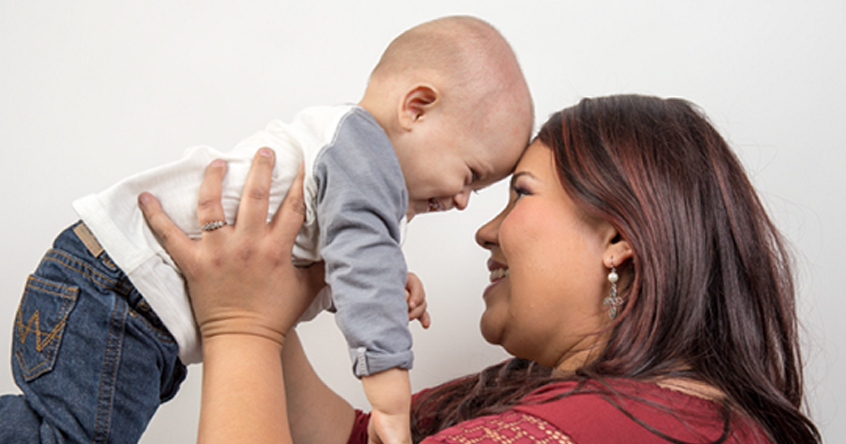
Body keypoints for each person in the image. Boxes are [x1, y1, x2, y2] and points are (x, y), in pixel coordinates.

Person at [138, 95, 820, 443]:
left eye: (519, 193)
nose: (485, 229)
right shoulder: (579, 401)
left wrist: (240, 328)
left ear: (618, 237)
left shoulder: (598, 427)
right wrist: (267, 293)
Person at [0, 16, 533, 444]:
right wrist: (390, 402)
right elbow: (361, 264)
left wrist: (386, 281)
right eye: (471, 175)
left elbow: (329, 267)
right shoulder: (362, 157)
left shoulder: (343, 157)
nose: (463, 202)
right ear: (417, 108)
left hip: (108, 292)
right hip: (116, 295)